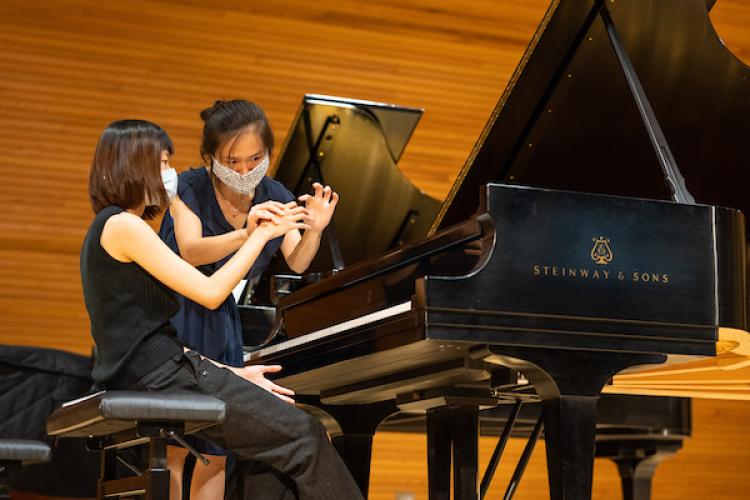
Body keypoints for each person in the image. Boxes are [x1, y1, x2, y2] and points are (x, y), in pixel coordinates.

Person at [81, 119, 362, 500]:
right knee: (306, 433)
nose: (170, 174)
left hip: (163, 373)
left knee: (268, 451)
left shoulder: (113, 227)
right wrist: (257, 234)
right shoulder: (124, 226)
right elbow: (211, 292)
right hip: (164, 379)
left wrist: (232, 373)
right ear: (133, 165)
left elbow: (146, 340)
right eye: (163, 163)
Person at [158, 99, 338, 498]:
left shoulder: (275, 192)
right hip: (177, 309)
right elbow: (191, 250)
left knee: (218, 441)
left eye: (254, 158)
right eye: (231, 160)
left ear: (269, 154)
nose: (243, 171)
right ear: (210, 158)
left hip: (222, 319)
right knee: (177, 438)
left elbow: (295, 259)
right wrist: (250, 234)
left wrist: (315, 229)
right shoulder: (188, 187)